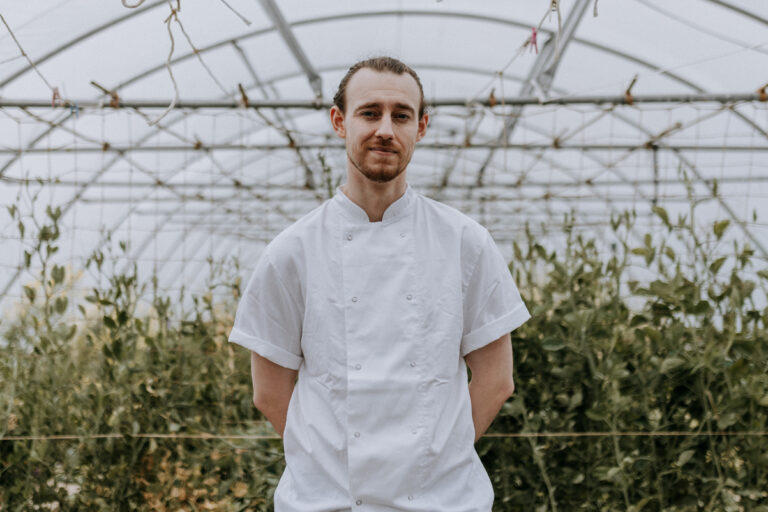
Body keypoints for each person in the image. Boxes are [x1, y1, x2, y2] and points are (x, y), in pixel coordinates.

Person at [228, 56, 530, 511]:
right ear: (339, 122)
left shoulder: (465, 243)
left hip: (443, 502)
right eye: (370, 113)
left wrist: (435, 459)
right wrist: (327, 464)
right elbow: (269, 392)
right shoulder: (291, 252)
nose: (385, 129)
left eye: (401, 116)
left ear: (421, 127)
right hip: (328, 503)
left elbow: (496, 380)